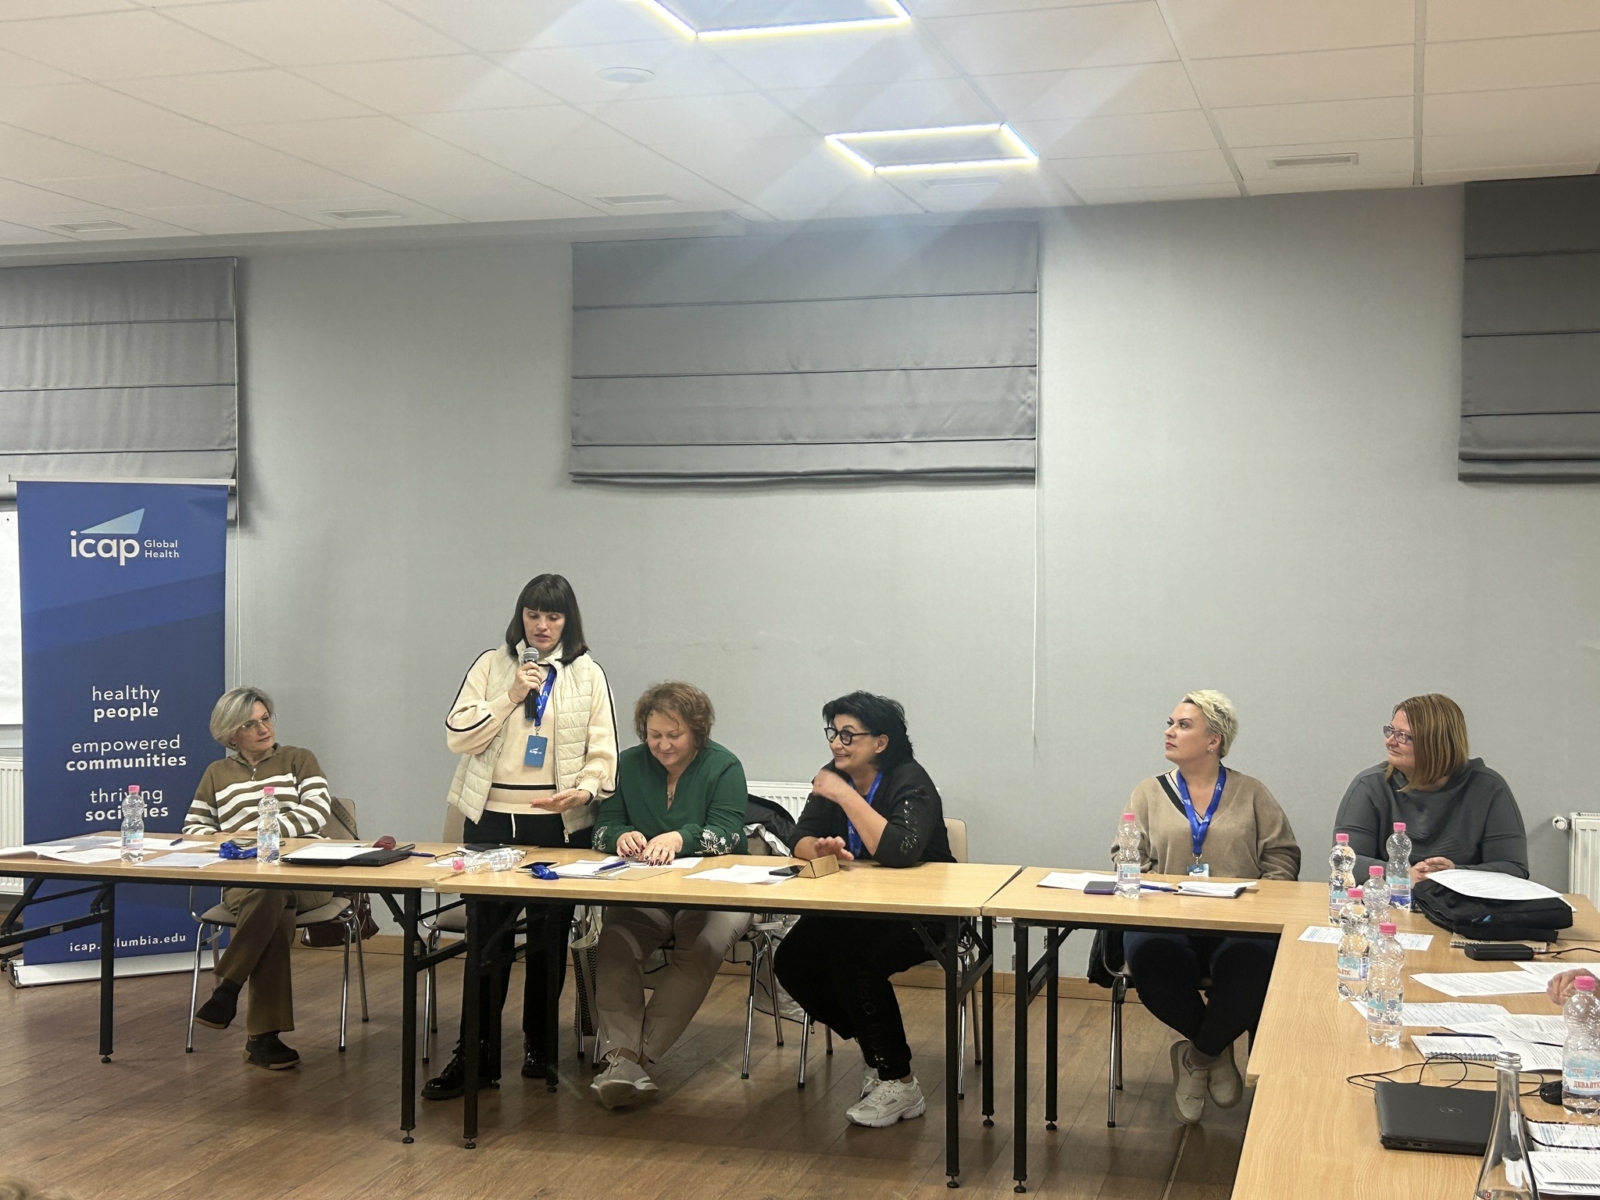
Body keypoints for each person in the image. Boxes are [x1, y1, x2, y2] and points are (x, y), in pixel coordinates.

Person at [423, 573, 619, 1101]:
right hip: (490, 819)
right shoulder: (492, 665)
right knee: (489, 939)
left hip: (556, 823)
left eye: (553, 616)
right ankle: (477, 1053)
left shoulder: (588, 673)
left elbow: (604, 751)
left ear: (568, 620)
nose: (542, 625)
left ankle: (540, 1047)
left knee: (549, 940)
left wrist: (585, 790)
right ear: (521, 617)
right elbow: (457, 736)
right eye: (534, 615)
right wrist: (510, 696)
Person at [1117, 690, 1300, 1127]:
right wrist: (1156, 889)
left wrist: (1263, 901)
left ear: (1213, 740)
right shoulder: (1148, 792)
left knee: (1253, 966)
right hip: (1167, 919)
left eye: (1183, 725)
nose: (1170, 731)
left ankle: (1197, 1058)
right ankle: (1216, 1049)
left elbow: (1282, 857)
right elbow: (1126, 858)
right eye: (1170, 723)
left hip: (1239, 922)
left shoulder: (1251, 792)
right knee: (1151, 961)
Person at [774, 691, 955, 1129]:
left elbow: (899, 850)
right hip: (858, 908)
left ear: (880, 742)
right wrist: (817, 848)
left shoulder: (910, 780)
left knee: (854, 963)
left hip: (924, 913)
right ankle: (879, 1052)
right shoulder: (833, 776)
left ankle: (901, 1083)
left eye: (848, 734)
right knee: (792, 960)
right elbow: (798, 837)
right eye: (833, 732)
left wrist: (845, 795)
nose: (837, 743)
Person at [586, 682, 751, 1108]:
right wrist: (620, 837)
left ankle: (631, 1059)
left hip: (716, 894)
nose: (662, 745)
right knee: (615, 944)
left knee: (702, 948)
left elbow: (728, 834)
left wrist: (681, 838)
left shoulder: (724, 766)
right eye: (654, 735)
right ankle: (624, 1059)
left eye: (674, 735)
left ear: (697, 730)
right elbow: (602, 828)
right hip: (648, 890)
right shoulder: (627, 764)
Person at [182, 686, 335, 1071]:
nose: (263, 729)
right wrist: (231, 841)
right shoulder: (216, 774)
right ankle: (262, 1041)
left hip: (305, 875)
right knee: (271, 903)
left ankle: (228, 988)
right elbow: (194, 829)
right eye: (250, 724)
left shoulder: (298, 759)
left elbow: (317, 812)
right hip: (247, 881)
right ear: (231, 734)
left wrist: (261, 833)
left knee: (272, 894)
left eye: (265, 719)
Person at [1333, 693, 1528, 882]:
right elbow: (1344, 861)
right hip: (1393, 901)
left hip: (1462, 903)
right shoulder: (1369, 785)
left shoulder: (1488, 788)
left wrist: (1455, 874)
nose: (1390, 742)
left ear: (1435, 744)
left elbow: (1513, 869)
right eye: (1390, 731)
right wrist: (1401, 874)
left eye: (1403, 736)